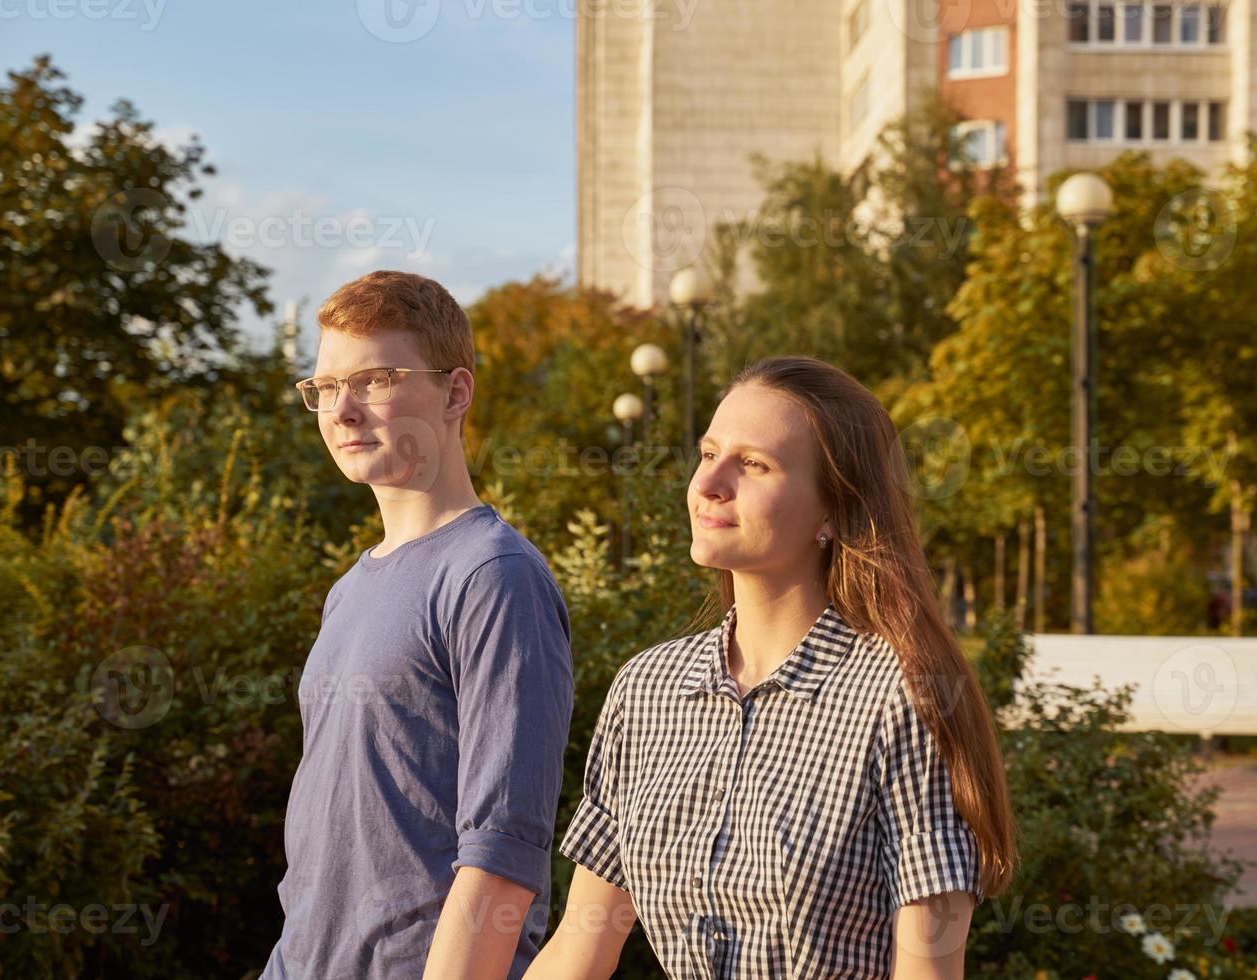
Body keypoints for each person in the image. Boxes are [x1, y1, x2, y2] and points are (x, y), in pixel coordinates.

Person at [526, 355, 1017, 979]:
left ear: (833, 513)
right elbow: (579, 950)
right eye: (708, 454)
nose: (709, 484)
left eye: (753, 464)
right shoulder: (645, 691)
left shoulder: (902, 699)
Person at [261, 271, 573, 980]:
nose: (340, 411)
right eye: (323, 388)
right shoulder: (348, 590)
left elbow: (502, 853)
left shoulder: (495, 576)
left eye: (373, 379)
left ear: (456, 392)